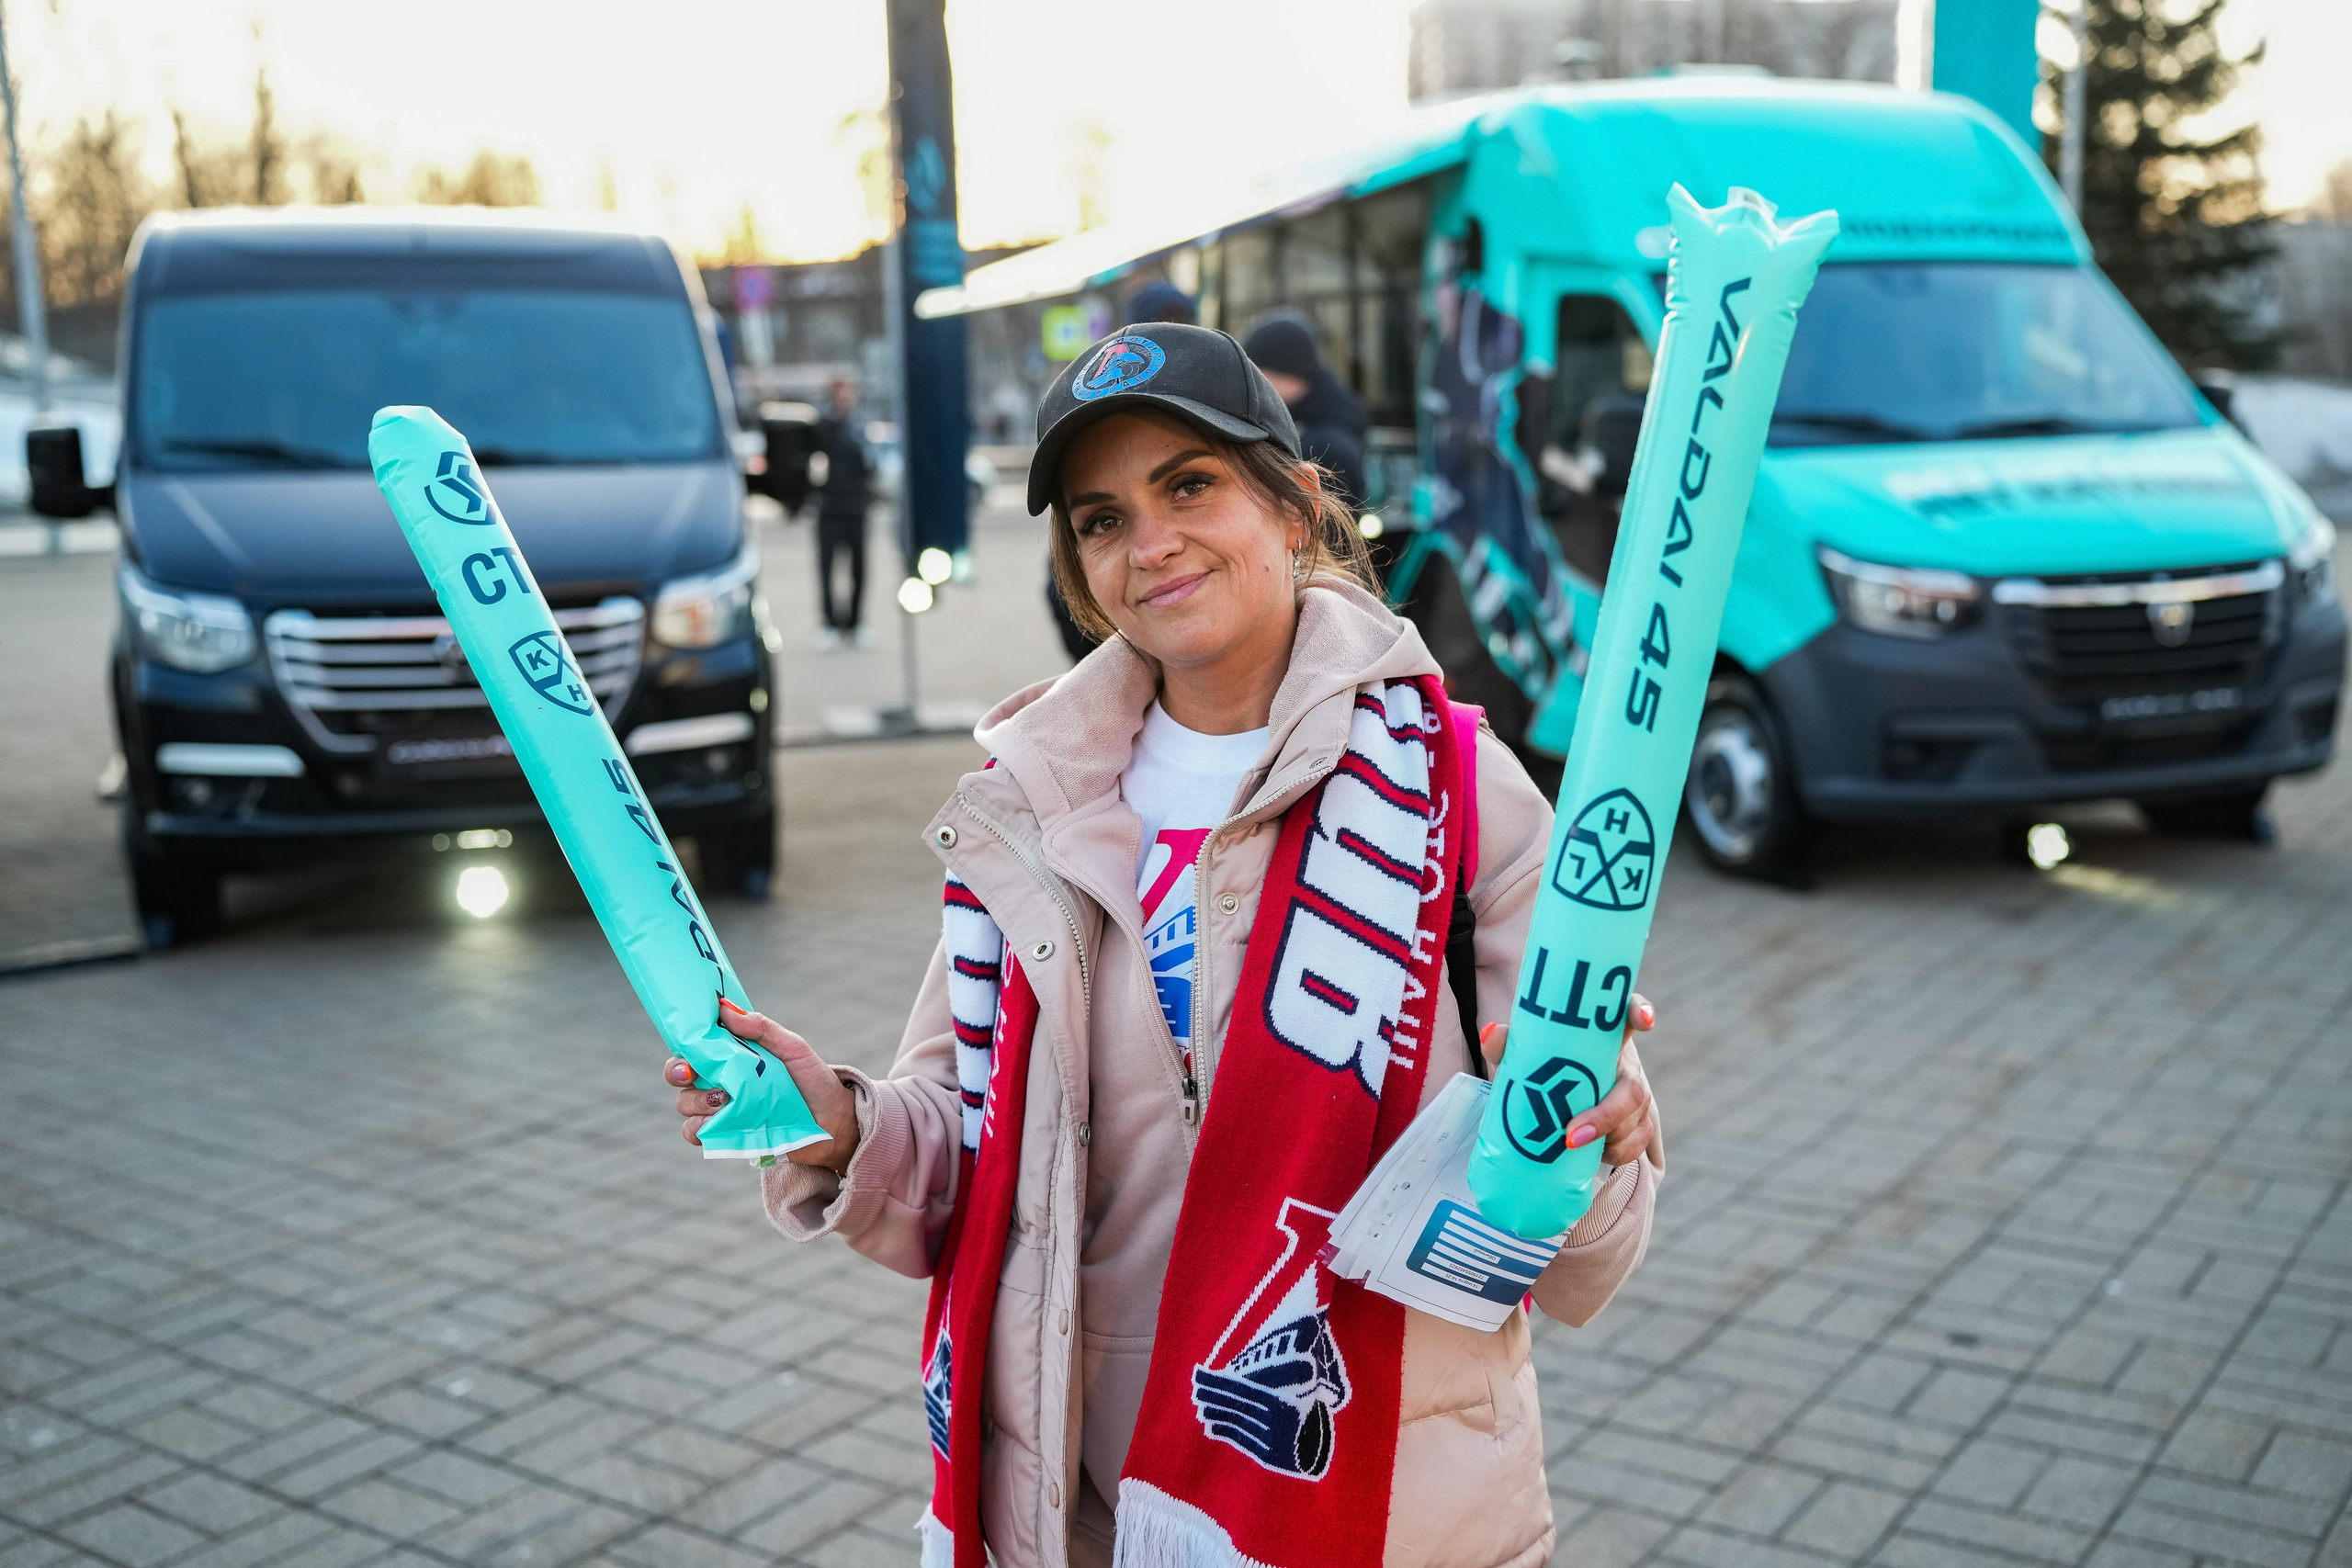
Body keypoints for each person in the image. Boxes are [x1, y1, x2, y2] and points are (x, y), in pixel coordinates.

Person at [667, 323, 1664, 1568]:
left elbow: (1584, 1244)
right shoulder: (1031, 806)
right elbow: (960, 1157)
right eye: (1100, 517)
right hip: (1080, 1501)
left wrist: (1586, 1134)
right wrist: (838, 1123)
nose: (1150, 543)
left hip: (1384, 1505)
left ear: (1297, 504)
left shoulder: (1460, 788)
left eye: (1189, 483)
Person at [1242, 312, 1371, 513]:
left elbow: (1326, 535)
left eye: (1258, 374)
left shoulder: (1326, 446)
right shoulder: (1317, 422)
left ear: (1288, 372)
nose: (1254, 387)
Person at [811, 377, 874, 650]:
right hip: (829, 511)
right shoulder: (824, 427)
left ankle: (855, 624)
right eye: (840, 393)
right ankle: (829, 624)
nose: (845, 398)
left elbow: (869, 467)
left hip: (856, 511)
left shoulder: (859, 428)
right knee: (826, 570)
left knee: (859, 570)